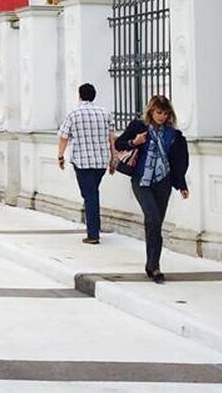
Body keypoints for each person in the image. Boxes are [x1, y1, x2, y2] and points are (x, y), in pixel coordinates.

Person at [114, 95, 190, 283]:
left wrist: (181, 185)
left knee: (155, 225)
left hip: (163, 182)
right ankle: (154, 266)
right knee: (153, 218)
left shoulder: (173, 135)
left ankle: (153, 264)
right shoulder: (138, 127)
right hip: (141, 181)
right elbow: (118, 144)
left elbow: (179, 161)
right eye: (158, 112)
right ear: (151, 111)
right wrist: (134, 142)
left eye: (165, 113)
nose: (161, 117)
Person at [57, 83, 116, 244]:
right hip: (101, 162)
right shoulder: (105, 113)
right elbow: (112, 137)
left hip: (82, 162)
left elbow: (63, 137)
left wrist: (60, 156)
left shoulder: (73, 114)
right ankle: (93, 227)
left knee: (90, 195)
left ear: (80, 95)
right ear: (94, 96)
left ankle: (93, 233)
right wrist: (113, 158)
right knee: (92, 193)